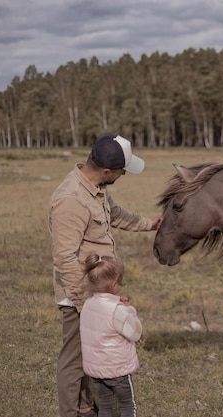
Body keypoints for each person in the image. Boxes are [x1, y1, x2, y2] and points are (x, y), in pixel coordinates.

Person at [48, 135, 160, 417]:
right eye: (123, 170)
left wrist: (150, 224)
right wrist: (86, 305)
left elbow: (116, 215)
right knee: (74, 360)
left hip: (98, 293)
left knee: (90, 353)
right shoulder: (71, 200)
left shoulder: (96, 189)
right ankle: (71, 412)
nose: (125, 174)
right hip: (80, 294)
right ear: (108, 171)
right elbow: (65, 258)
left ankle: (85, 407)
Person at [80, 254, 142, 417]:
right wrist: (130, 310)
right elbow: (135, 333)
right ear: (114, 284)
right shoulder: (117, 309)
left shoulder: (88, 304)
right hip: (117, 369)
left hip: (96, 370)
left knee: (106, 405)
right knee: (127, 405)